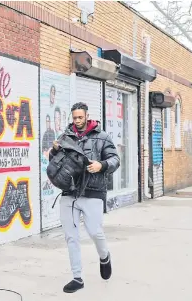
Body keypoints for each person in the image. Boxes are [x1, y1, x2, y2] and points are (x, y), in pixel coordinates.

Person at [50, 102, 120, 293]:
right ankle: (77, 278)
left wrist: (101, 165)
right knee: (71, 237)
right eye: (75, 118)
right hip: (69, 192)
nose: (77, 121)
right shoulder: (65, 137)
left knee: (94, 231)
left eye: (80, 117)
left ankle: (104, 256)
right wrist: (54, 151)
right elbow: (56, 162)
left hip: (93, 191)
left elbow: (115, 159)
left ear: (87, 116)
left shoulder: (101, 136)